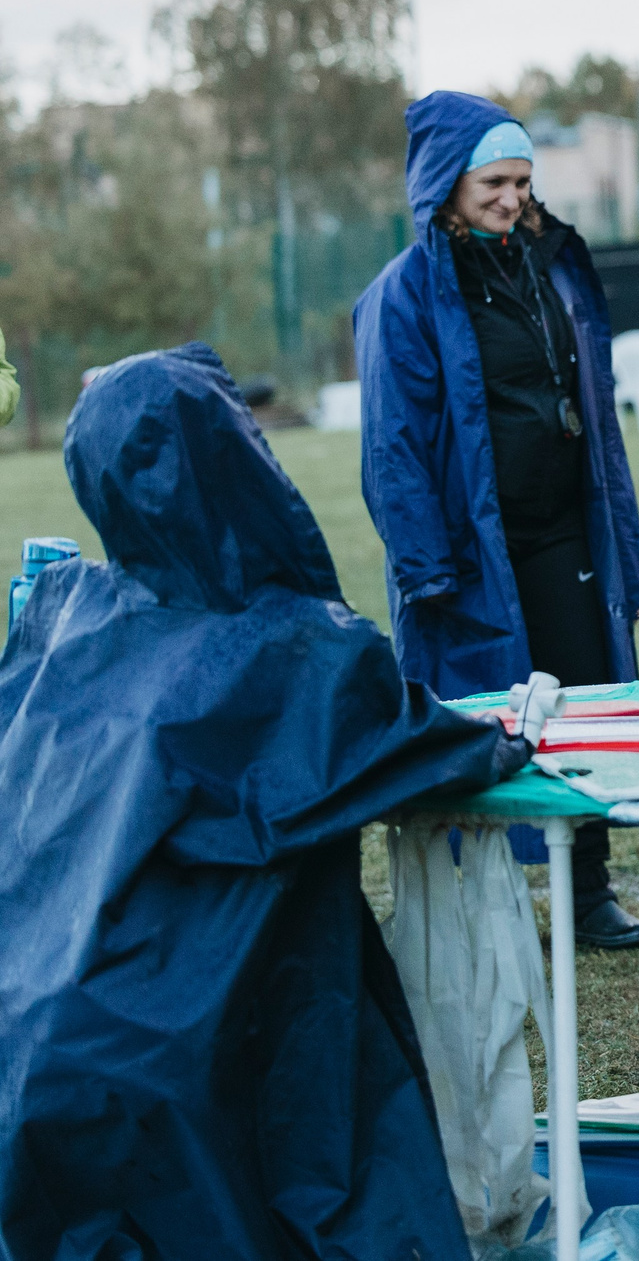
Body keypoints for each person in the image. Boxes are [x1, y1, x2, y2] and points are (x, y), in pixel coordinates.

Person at [0, 345, 530, 1260]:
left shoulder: (63, 616)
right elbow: (430, 746)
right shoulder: (290, 651)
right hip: (154, 1043)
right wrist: (511, 733)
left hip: (26, 1029)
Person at [354, 91, 639, 950]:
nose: (513, 197)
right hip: (470, 547)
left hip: (564, 529)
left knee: (580, 698)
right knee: (472, 714)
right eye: (494, 181)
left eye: (523, 180)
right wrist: (425, 566)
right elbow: (392, 444)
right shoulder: (403, 294)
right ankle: (469, 907)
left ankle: (588, 891)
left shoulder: (549, 262)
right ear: (446, 183)